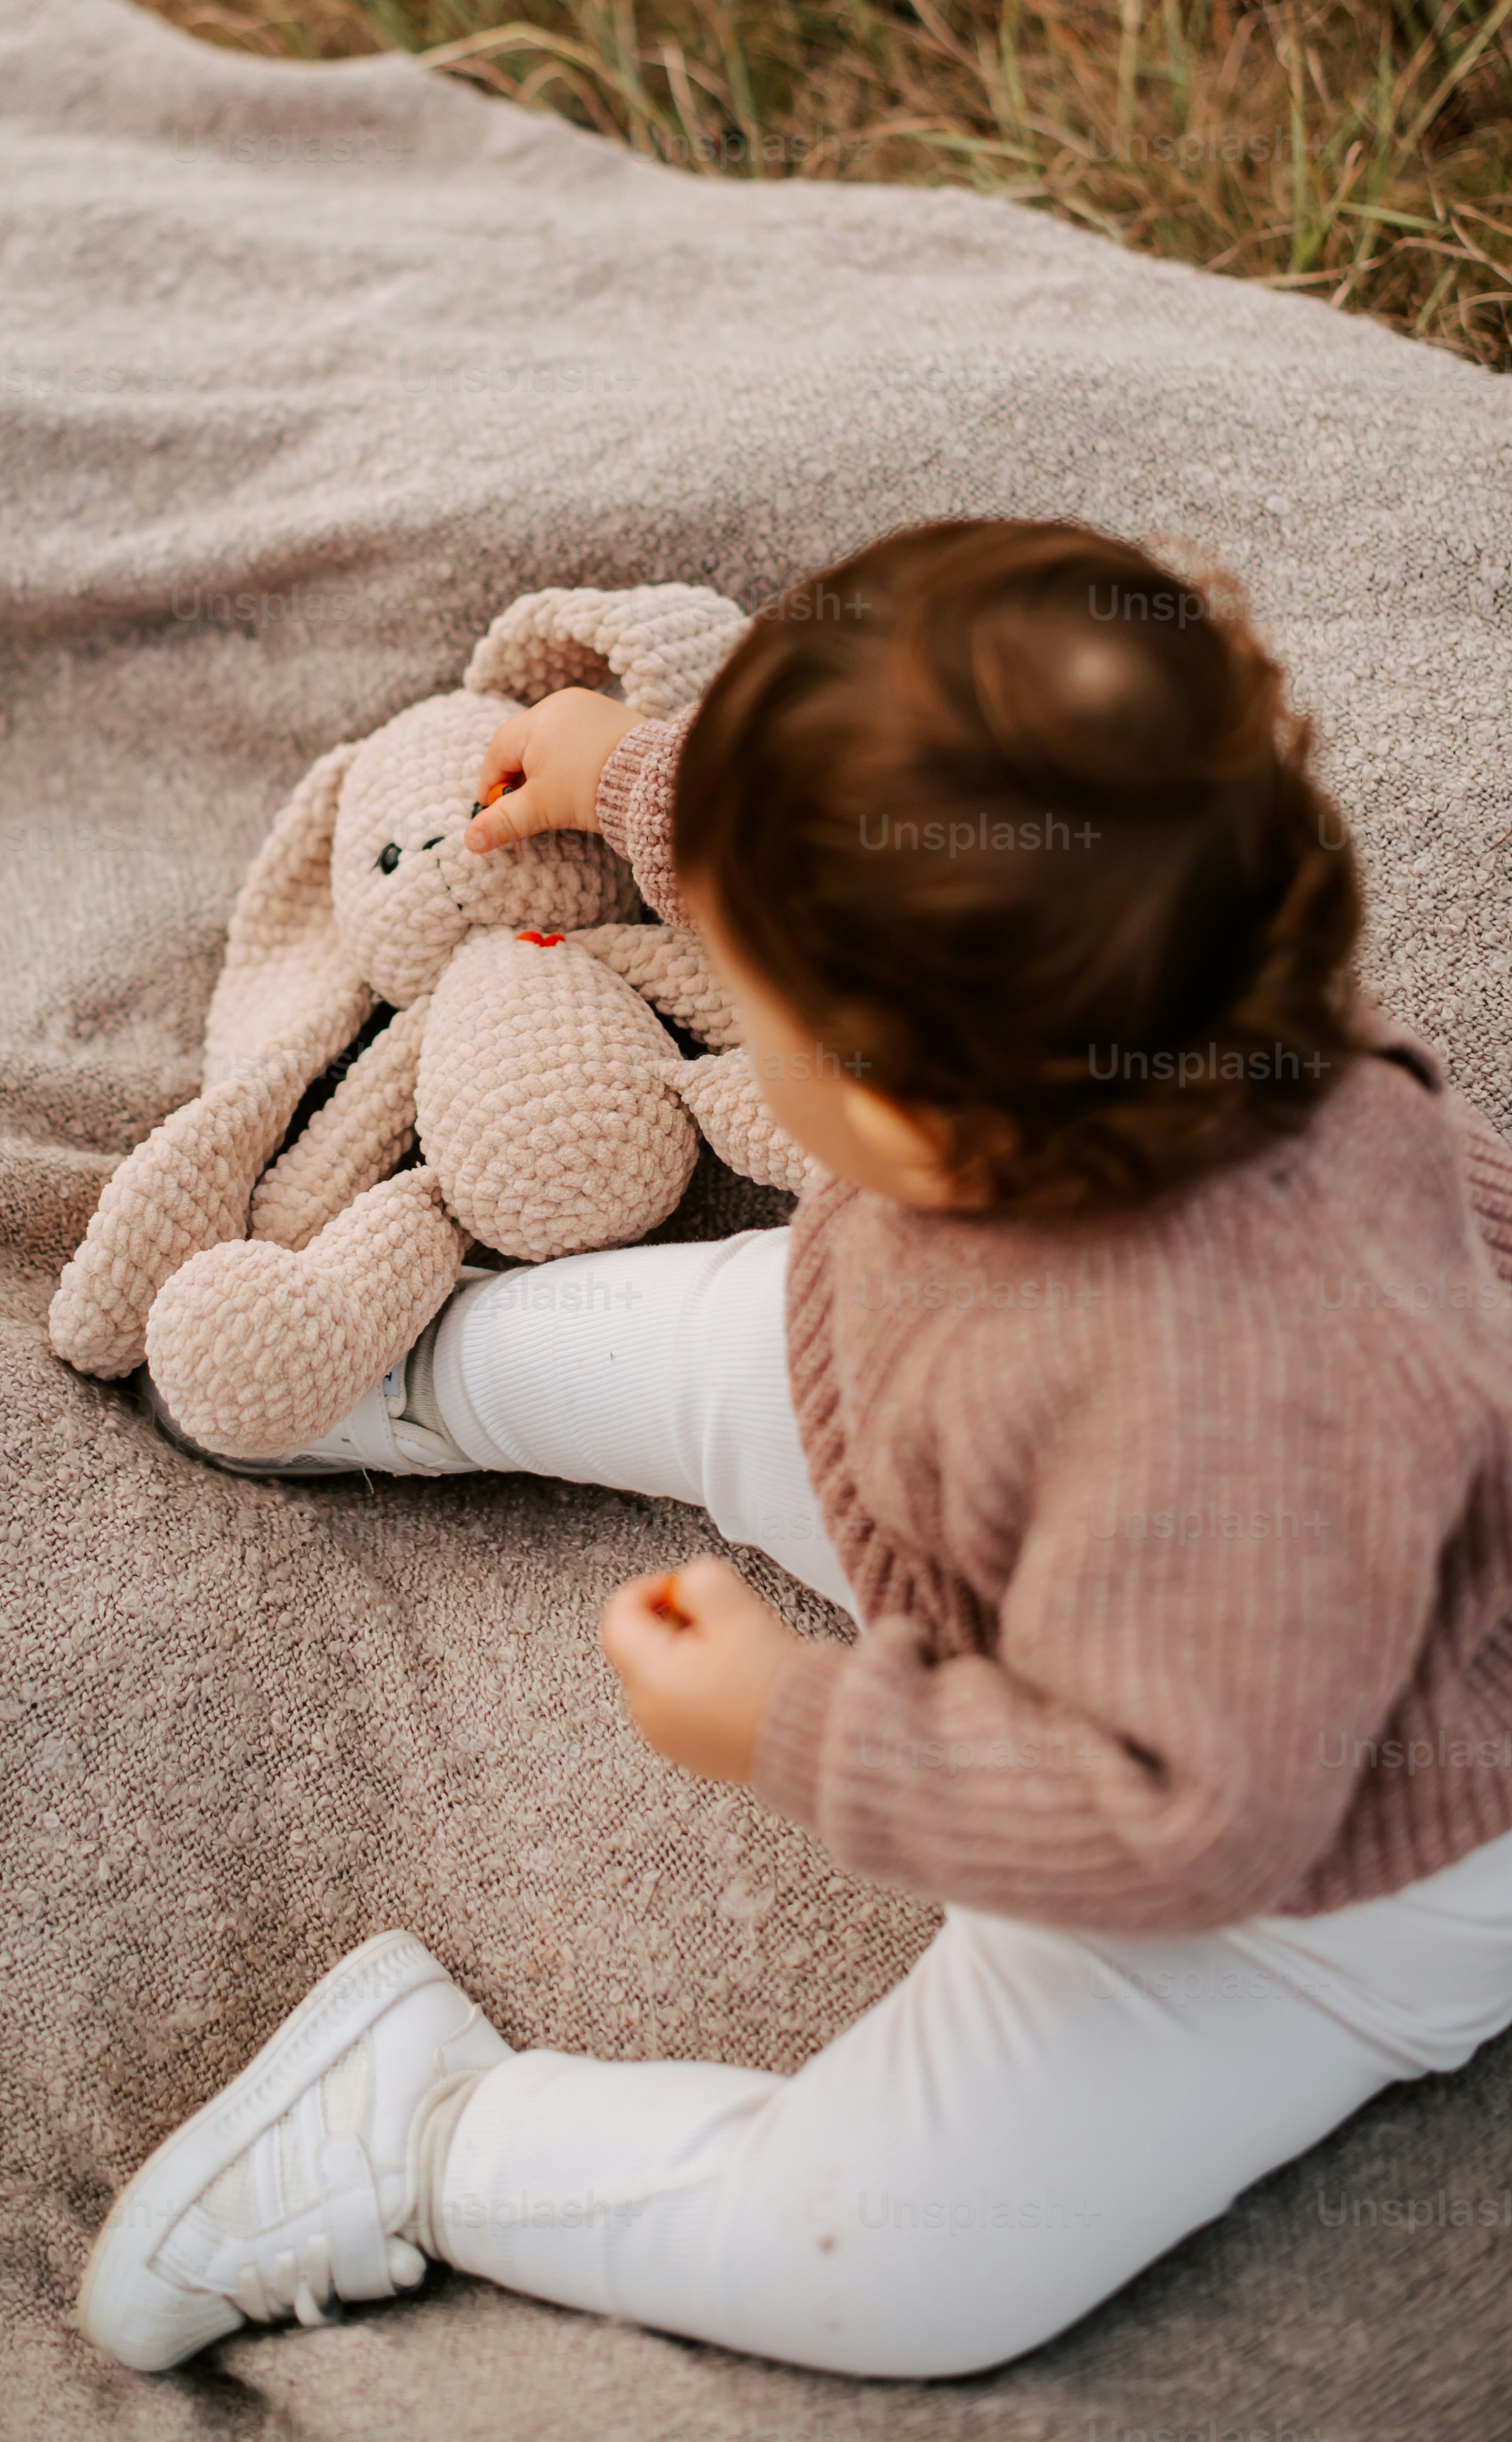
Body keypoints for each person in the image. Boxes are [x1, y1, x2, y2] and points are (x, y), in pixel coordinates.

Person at [79, 519, 1512, 2379]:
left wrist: (797, 1722)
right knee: (707, 1350)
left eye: (757, 997)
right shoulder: (1182, 979)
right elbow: (914, 865)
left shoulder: (1246, 1435)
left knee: (899, 2258)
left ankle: (425, 2130)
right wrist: (635, 775)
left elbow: (1184, 1812)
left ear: (919, 1107)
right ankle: (401, 1358)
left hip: (1299, 1857)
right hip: (921, 1408)